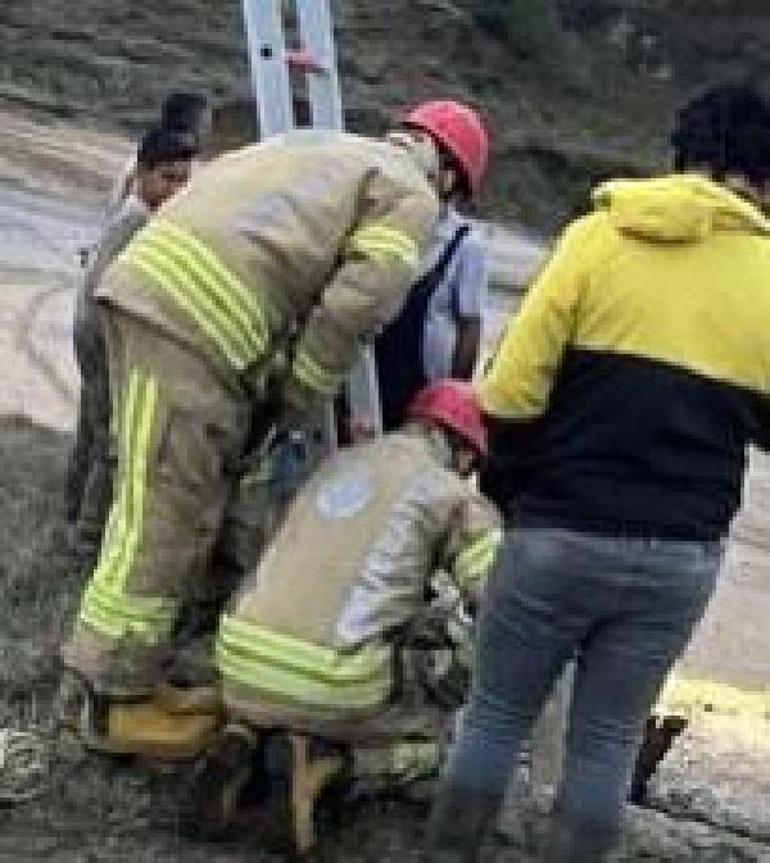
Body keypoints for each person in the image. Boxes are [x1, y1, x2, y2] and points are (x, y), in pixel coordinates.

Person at [59, 101, 488, 751]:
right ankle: (114, 704)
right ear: (450, 176)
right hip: (198, 327)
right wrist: (300, 391)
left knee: (160, 502)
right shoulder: (411, 196)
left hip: (148, 290)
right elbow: (358, 304)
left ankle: (126, 680)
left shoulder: (329, 147)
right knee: (166, 514)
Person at [425, 82, 770, 861]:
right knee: (607, 742)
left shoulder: (595, 239)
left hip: (555, 530)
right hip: (677, 556)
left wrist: (510, 489)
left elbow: (507, 393)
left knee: (492, 718)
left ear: (682, 157)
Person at [199, 381, 500, 826]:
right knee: (435, 743)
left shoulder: (335, 462)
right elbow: (502, 595)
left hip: (238, 655)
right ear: (465, 453)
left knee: (295, 662)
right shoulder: (450, 495)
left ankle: (246, 733)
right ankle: (334, 768)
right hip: (334, 681)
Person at [66, 127, 197, 564]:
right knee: (111, 439)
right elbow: (108, 289)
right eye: (167, 178)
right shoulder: (135, 223)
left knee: (92, 425)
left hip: (94, 333)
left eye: (184, 179)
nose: (176, 189)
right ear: (140, 174)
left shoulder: (138, 214)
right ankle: (87, 537)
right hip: (103, 338)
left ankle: (73, 509)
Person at [375, 101, 490, 430]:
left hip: (416, 396)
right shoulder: (381, 223)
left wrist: (451, 401)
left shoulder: (465, 245)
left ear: (451, 177)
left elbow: (470, 327)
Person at [105, 92, 210, 219]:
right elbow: (124, 193)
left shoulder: (181, 153)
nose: (205, 129)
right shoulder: (159, 153)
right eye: (202, 122)